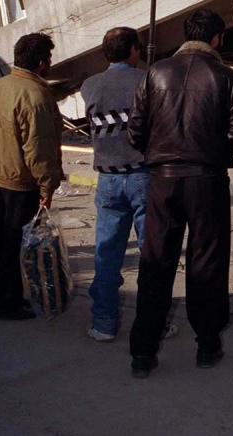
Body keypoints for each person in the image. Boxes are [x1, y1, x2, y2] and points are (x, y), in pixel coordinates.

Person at [127, 8, 233, 377]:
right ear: (216, 38)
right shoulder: (227, 77)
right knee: (207, 263)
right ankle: (207, 344)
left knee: (155, 263)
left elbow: (135, 132)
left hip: (163, 178)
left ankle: (143, 351)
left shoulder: (156, 73)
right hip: (207, 178)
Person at [81, 26, 177, 344]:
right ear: (135, 50)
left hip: (108, 179)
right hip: (143, 176)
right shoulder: (149, 80)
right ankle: (154, 322)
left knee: (107, 254)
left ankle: (104, 322)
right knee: (152, 253)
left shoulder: (90, 85)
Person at [0, 32, 62, 321]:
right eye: (48, 59)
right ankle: (8, 303)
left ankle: (2, 298)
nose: (49, 64)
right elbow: (40, 147)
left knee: (1, 242)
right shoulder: (35, 95)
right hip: (19, 180)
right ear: (40, 63)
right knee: (15, 244)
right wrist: (47, 185)